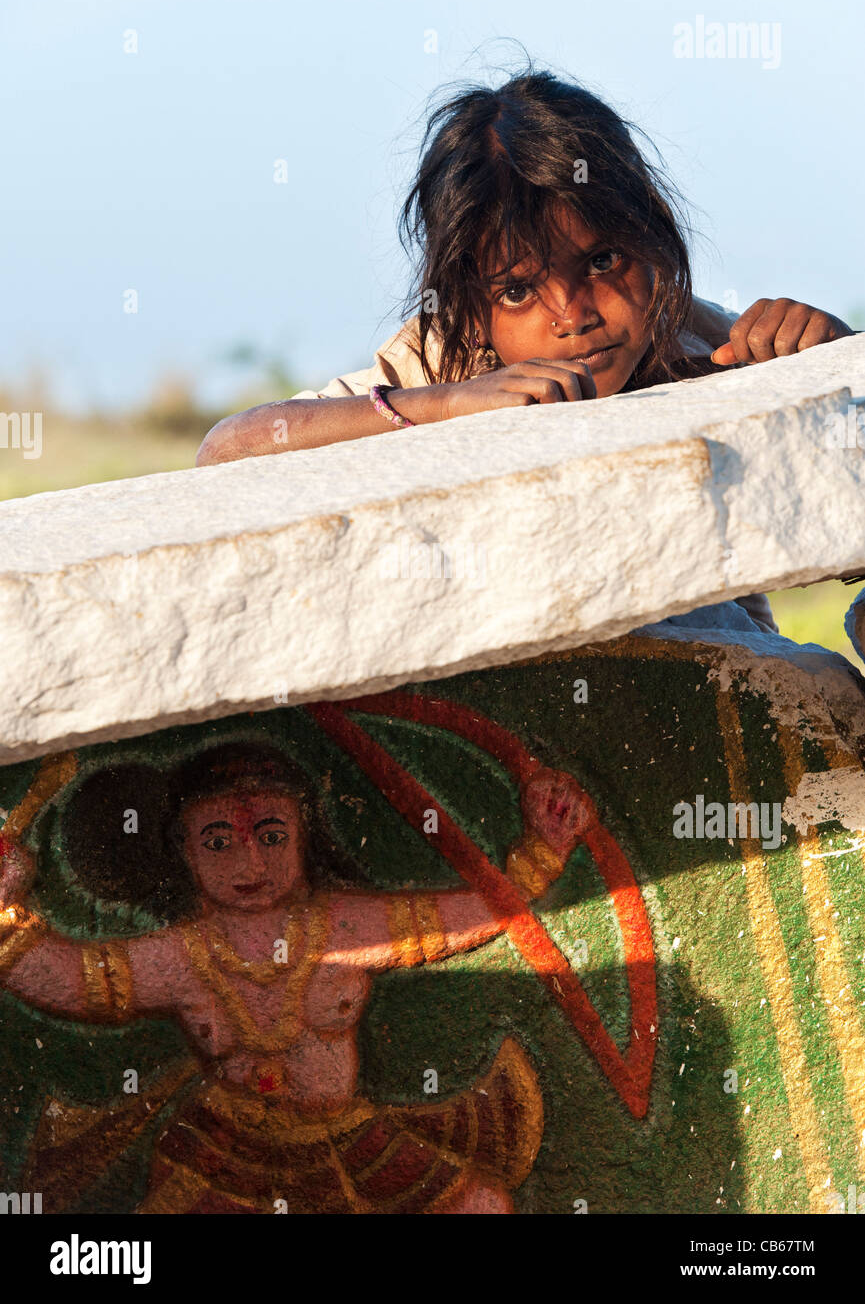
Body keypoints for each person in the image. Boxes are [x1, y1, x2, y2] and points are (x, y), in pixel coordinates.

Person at [195, 71, 852, 635]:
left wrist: (831, 365)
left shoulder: (707, 345)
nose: (571, 316)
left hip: (718, 674)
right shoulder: (443, 365)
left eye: (601, 260)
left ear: (652, 239)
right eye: (515, 291)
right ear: (470, 309)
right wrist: (446, 406)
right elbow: (227, 450)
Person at [0, 743, 590, 1214]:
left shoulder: (340, 927)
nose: (249, 864)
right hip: (223, 1146)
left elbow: (454, 920)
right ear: (184, 852)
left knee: (482, 1206)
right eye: (218, 842)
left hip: (345, 1138)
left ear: (305, 839)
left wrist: (542, 851)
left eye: (272, 837)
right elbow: (74, 979)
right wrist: (5, 910)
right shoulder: (179, 955)